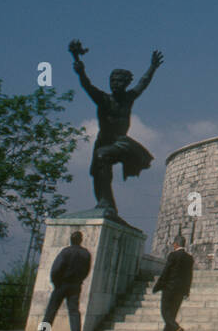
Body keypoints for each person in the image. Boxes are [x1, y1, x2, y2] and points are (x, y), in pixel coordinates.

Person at [69, 39, 162, 217]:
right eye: (113, 80)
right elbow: (87, 85)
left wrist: (153, 68)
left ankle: (105, 203)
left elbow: (143, 83)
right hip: (103, 140)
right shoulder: (103, 99)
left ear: (126, 83)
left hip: (121, 142)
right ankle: (105, 203)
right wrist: (81, 72)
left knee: (102, 156)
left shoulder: (128, 98)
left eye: (119, 81)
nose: (115, 83)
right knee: (97, 171)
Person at [37, 230, 91, 331]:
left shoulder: (66, 252)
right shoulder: (86, 254)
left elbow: (56, 269)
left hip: (61, 284)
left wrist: (56, 282)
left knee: (51, 311)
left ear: (71, 240)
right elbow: (87, 270)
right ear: (81, 240)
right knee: (74, 312)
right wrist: (79, 280)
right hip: (75, 285)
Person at [152, 235, 194, 331]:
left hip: (169, 288)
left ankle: (176, 329)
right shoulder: (189, 258)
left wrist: (158, 286)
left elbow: (166, 271)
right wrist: (187, 291)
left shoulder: (173, 255)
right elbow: (189, 276)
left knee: (165, 311)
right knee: (172, 313)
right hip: (180, 290)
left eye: (173, 244)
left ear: (176, 244)